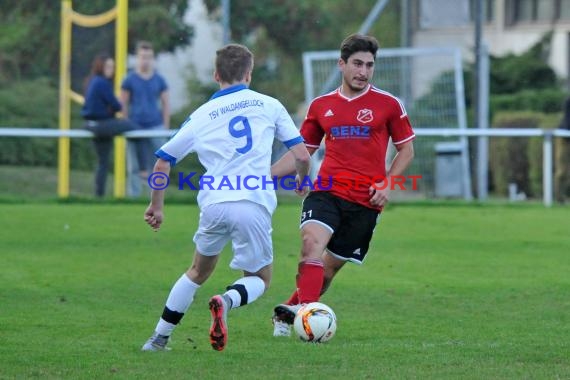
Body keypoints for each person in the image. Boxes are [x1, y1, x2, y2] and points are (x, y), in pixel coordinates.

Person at [141, 44, 311, 352]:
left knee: (197, 272)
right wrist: (301, 180)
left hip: (215, 204)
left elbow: (162, 162)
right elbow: (301, 154)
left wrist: (156, 205)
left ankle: (158, 339)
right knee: (260, 278)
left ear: (216, 75)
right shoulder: (269, 104)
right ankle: (226, 300)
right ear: (249, 73)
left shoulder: (201, 115)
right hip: (253, 203)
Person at [269, 34, 416, 336]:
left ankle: (288, 312)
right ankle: (307, 322)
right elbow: (303, 151)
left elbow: (407, 149)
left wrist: (388, 183)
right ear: (342, 64)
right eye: (357, 64)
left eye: (369, 65)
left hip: (366, 201)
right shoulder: (321, 106)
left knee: (327, 271)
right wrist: (264, 176)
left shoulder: (388, 104)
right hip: (326, 191)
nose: (363, 71)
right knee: (311, 246)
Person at [81, 54, 140, 198]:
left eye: (112, 67)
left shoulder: (92, 81)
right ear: (100, 67)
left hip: (93, 125)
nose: (111, 70)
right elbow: (116, 105)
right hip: (101, 125)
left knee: (102, 162)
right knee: (134, 128)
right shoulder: (101, 82)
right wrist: (113, 110)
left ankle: (98, 196)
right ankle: (144, 166)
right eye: (108, 66)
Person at [121, 41, 170, 197]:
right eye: (142, 57)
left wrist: (165, 127)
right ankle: (133, 197)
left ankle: (157, 198)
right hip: (135, 127)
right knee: (134, 166)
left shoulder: (159, 80)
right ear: (137, 58)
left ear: (153, 58)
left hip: (155, 127)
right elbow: (123, 103)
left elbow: (166, 103)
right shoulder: (129, 80)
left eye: (148, 57)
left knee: (158, 164)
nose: (145, 60)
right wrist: (126, 123)